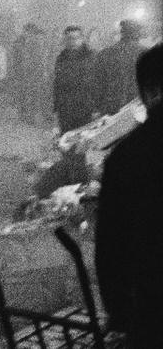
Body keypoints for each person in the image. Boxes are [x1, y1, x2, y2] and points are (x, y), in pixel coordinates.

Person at [95, 43, 163, 346]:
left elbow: (111, 245)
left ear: (148, 92)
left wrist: (120, 314)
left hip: (150, 307)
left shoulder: (129, 154)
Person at [92, 19, 146, 116]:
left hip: (112, 108)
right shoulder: (146, 53)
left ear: (122, 33)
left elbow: (97, 83)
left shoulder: (105, 53)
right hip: (138, 108)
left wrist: (97, 107)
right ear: (137, 33)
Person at [51, 25, 96, 133]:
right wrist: (56, 108)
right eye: (69, 38)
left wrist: (96, 107)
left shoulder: (91, 57)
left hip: (85, 108)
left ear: (82, 38)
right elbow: (57, 84)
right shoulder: (61, 58)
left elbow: (97, 82)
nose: (72, 42)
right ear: (65, 40)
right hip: (65, 109)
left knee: (82, 141)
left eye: (76, 38)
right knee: (66, 141)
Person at [8, 23, 51, 126]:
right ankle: (29, 116)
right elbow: (35, 58)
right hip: (29, 72)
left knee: (32, 94)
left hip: (31, 72)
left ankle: (29, 116)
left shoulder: (31, 41)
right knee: (31, 94)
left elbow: (36, 58)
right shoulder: (26, 42)